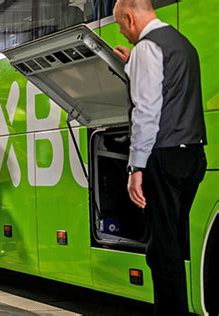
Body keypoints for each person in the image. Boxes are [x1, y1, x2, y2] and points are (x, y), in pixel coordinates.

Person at [113, 1, 207, 314]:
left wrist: (135, 167)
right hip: (192, 155)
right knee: (170, 244)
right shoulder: (182, 43)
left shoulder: (147, 48)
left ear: (129, 16)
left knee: (162, 251)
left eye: (121, 26)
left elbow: (147, 112)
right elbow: (172, 90)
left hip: (163, 156)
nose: (124, 34)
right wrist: (132, 66)